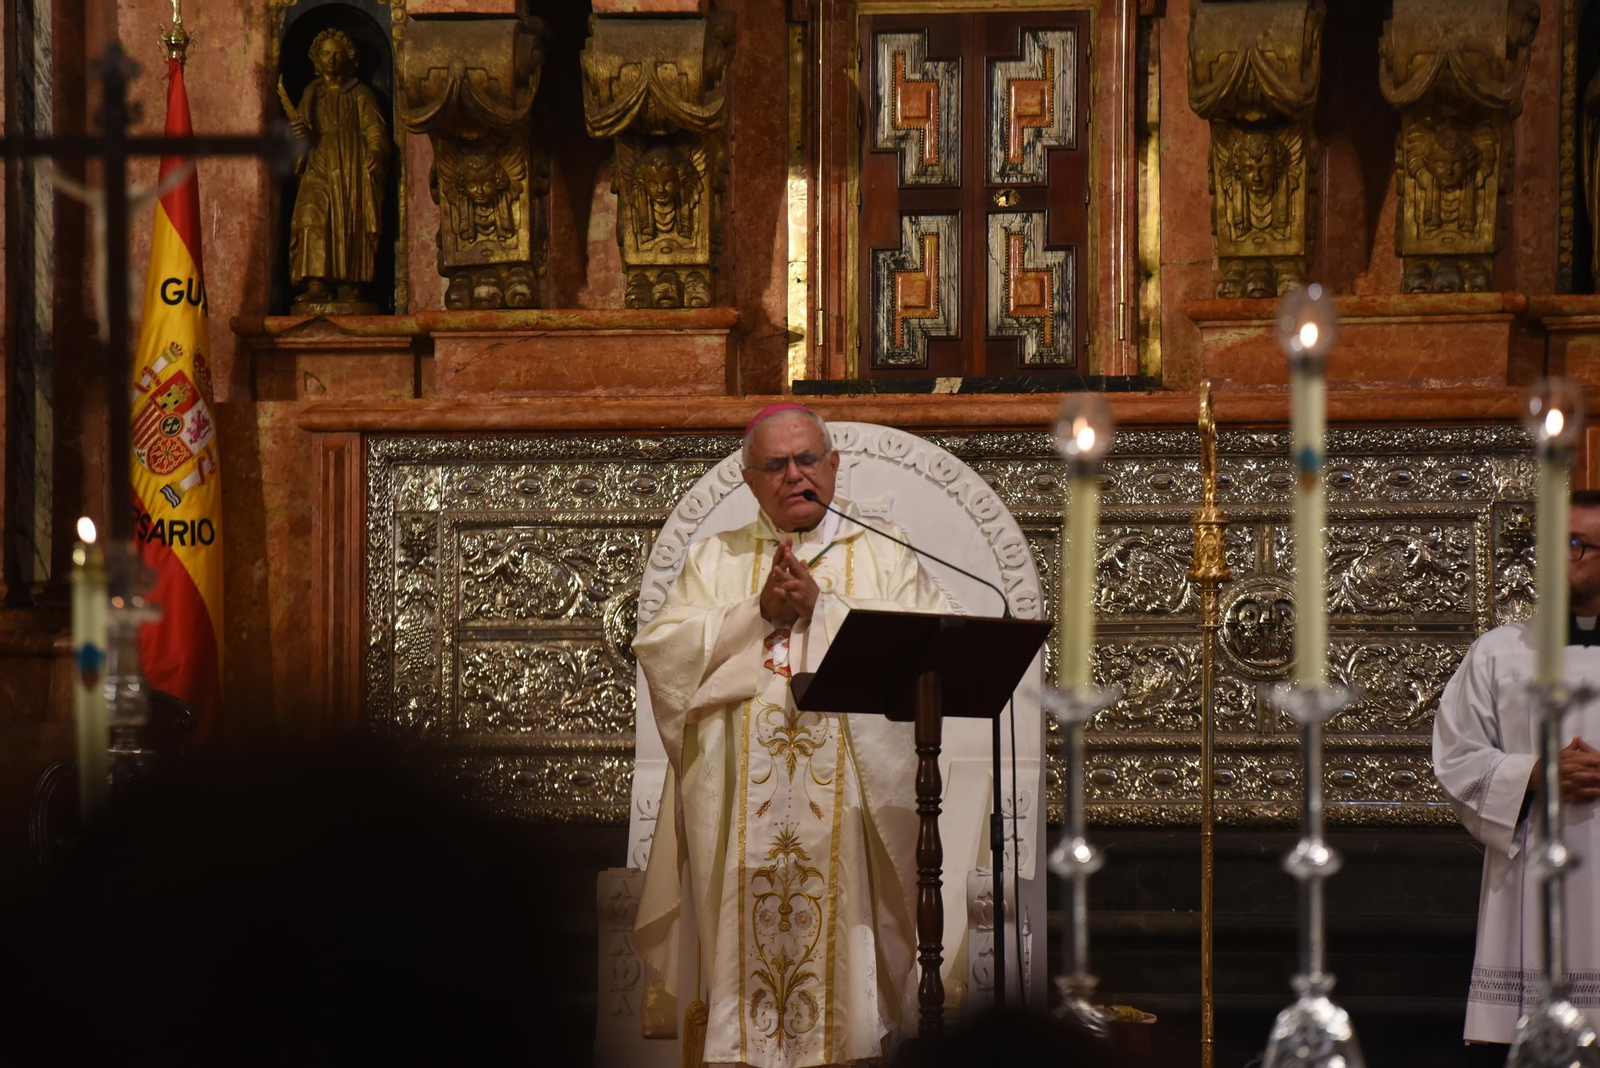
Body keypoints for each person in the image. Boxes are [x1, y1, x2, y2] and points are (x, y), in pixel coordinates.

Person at [632, 404, 947, 1068]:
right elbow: (662, 654)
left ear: (834, 467)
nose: (795, 475)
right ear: (749, 480)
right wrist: (756, 613)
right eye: (775, 465)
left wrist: (822, 610)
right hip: (740, 818)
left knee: (847, 973)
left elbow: (926, 648)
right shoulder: (714, 560)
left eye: (808, 460)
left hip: (848, 818)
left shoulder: (883, 551)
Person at [1434, 490, 1600, 1067]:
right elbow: (1456, 758)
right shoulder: (1497, 654)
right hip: (1527, 884)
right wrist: (1533, 772)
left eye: (1575, 544)